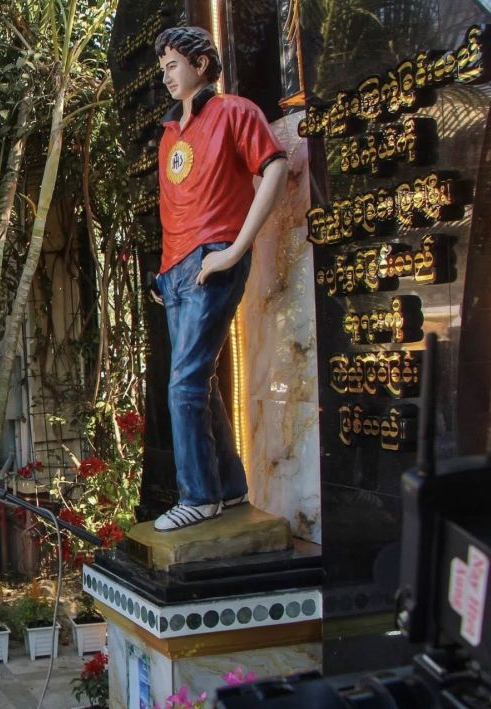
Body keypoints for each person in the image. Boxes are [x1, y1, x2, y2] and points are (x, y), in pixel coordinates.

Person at [151, 27, 288, 531]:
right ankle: (228, 488)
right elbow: (174, 208)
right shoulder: (170, 134)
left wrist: (234, 250)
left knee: (184, 384)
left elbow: (273, 168)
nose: (166, 76)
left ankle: (198, 495)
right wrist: (165, 273)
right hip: (177, 268)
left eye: (173, 65)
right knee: (199, 382)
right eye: (163, 67)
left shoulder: (236, 111)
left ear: (202, 64)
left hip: (213, 258)